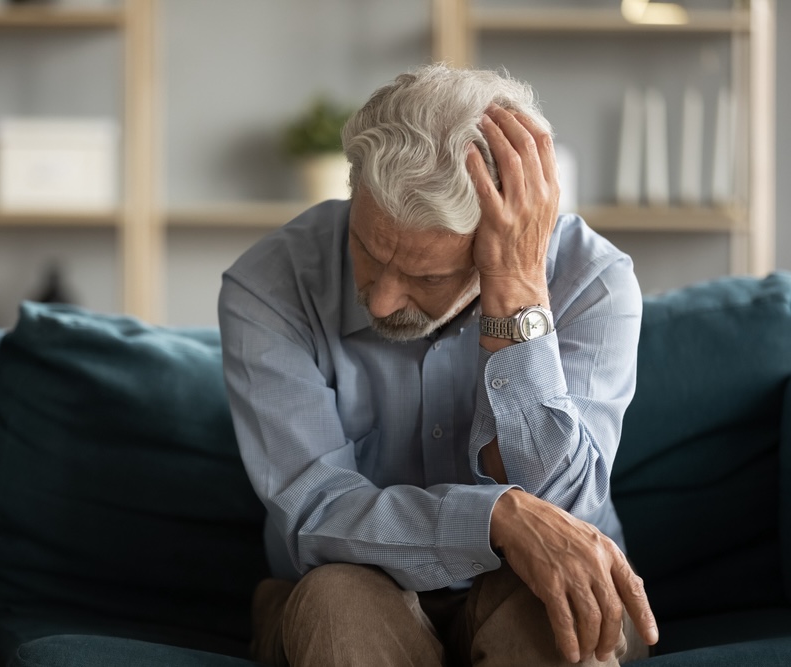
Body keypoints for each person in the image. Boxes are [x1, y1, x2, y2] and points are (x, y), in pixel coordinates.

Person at [218, 64, 659, 667]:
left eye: (427, 277)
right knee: (337, 606)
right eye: (366, 249)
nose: (380, 302)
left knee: (554, 620)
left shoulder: (593, 282)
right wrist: (492, 518)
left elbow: (564, 513)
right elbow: (316, 513)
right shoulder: (269, 284)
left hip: (536, 587)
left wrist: (518, 294)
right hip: (345, 583)